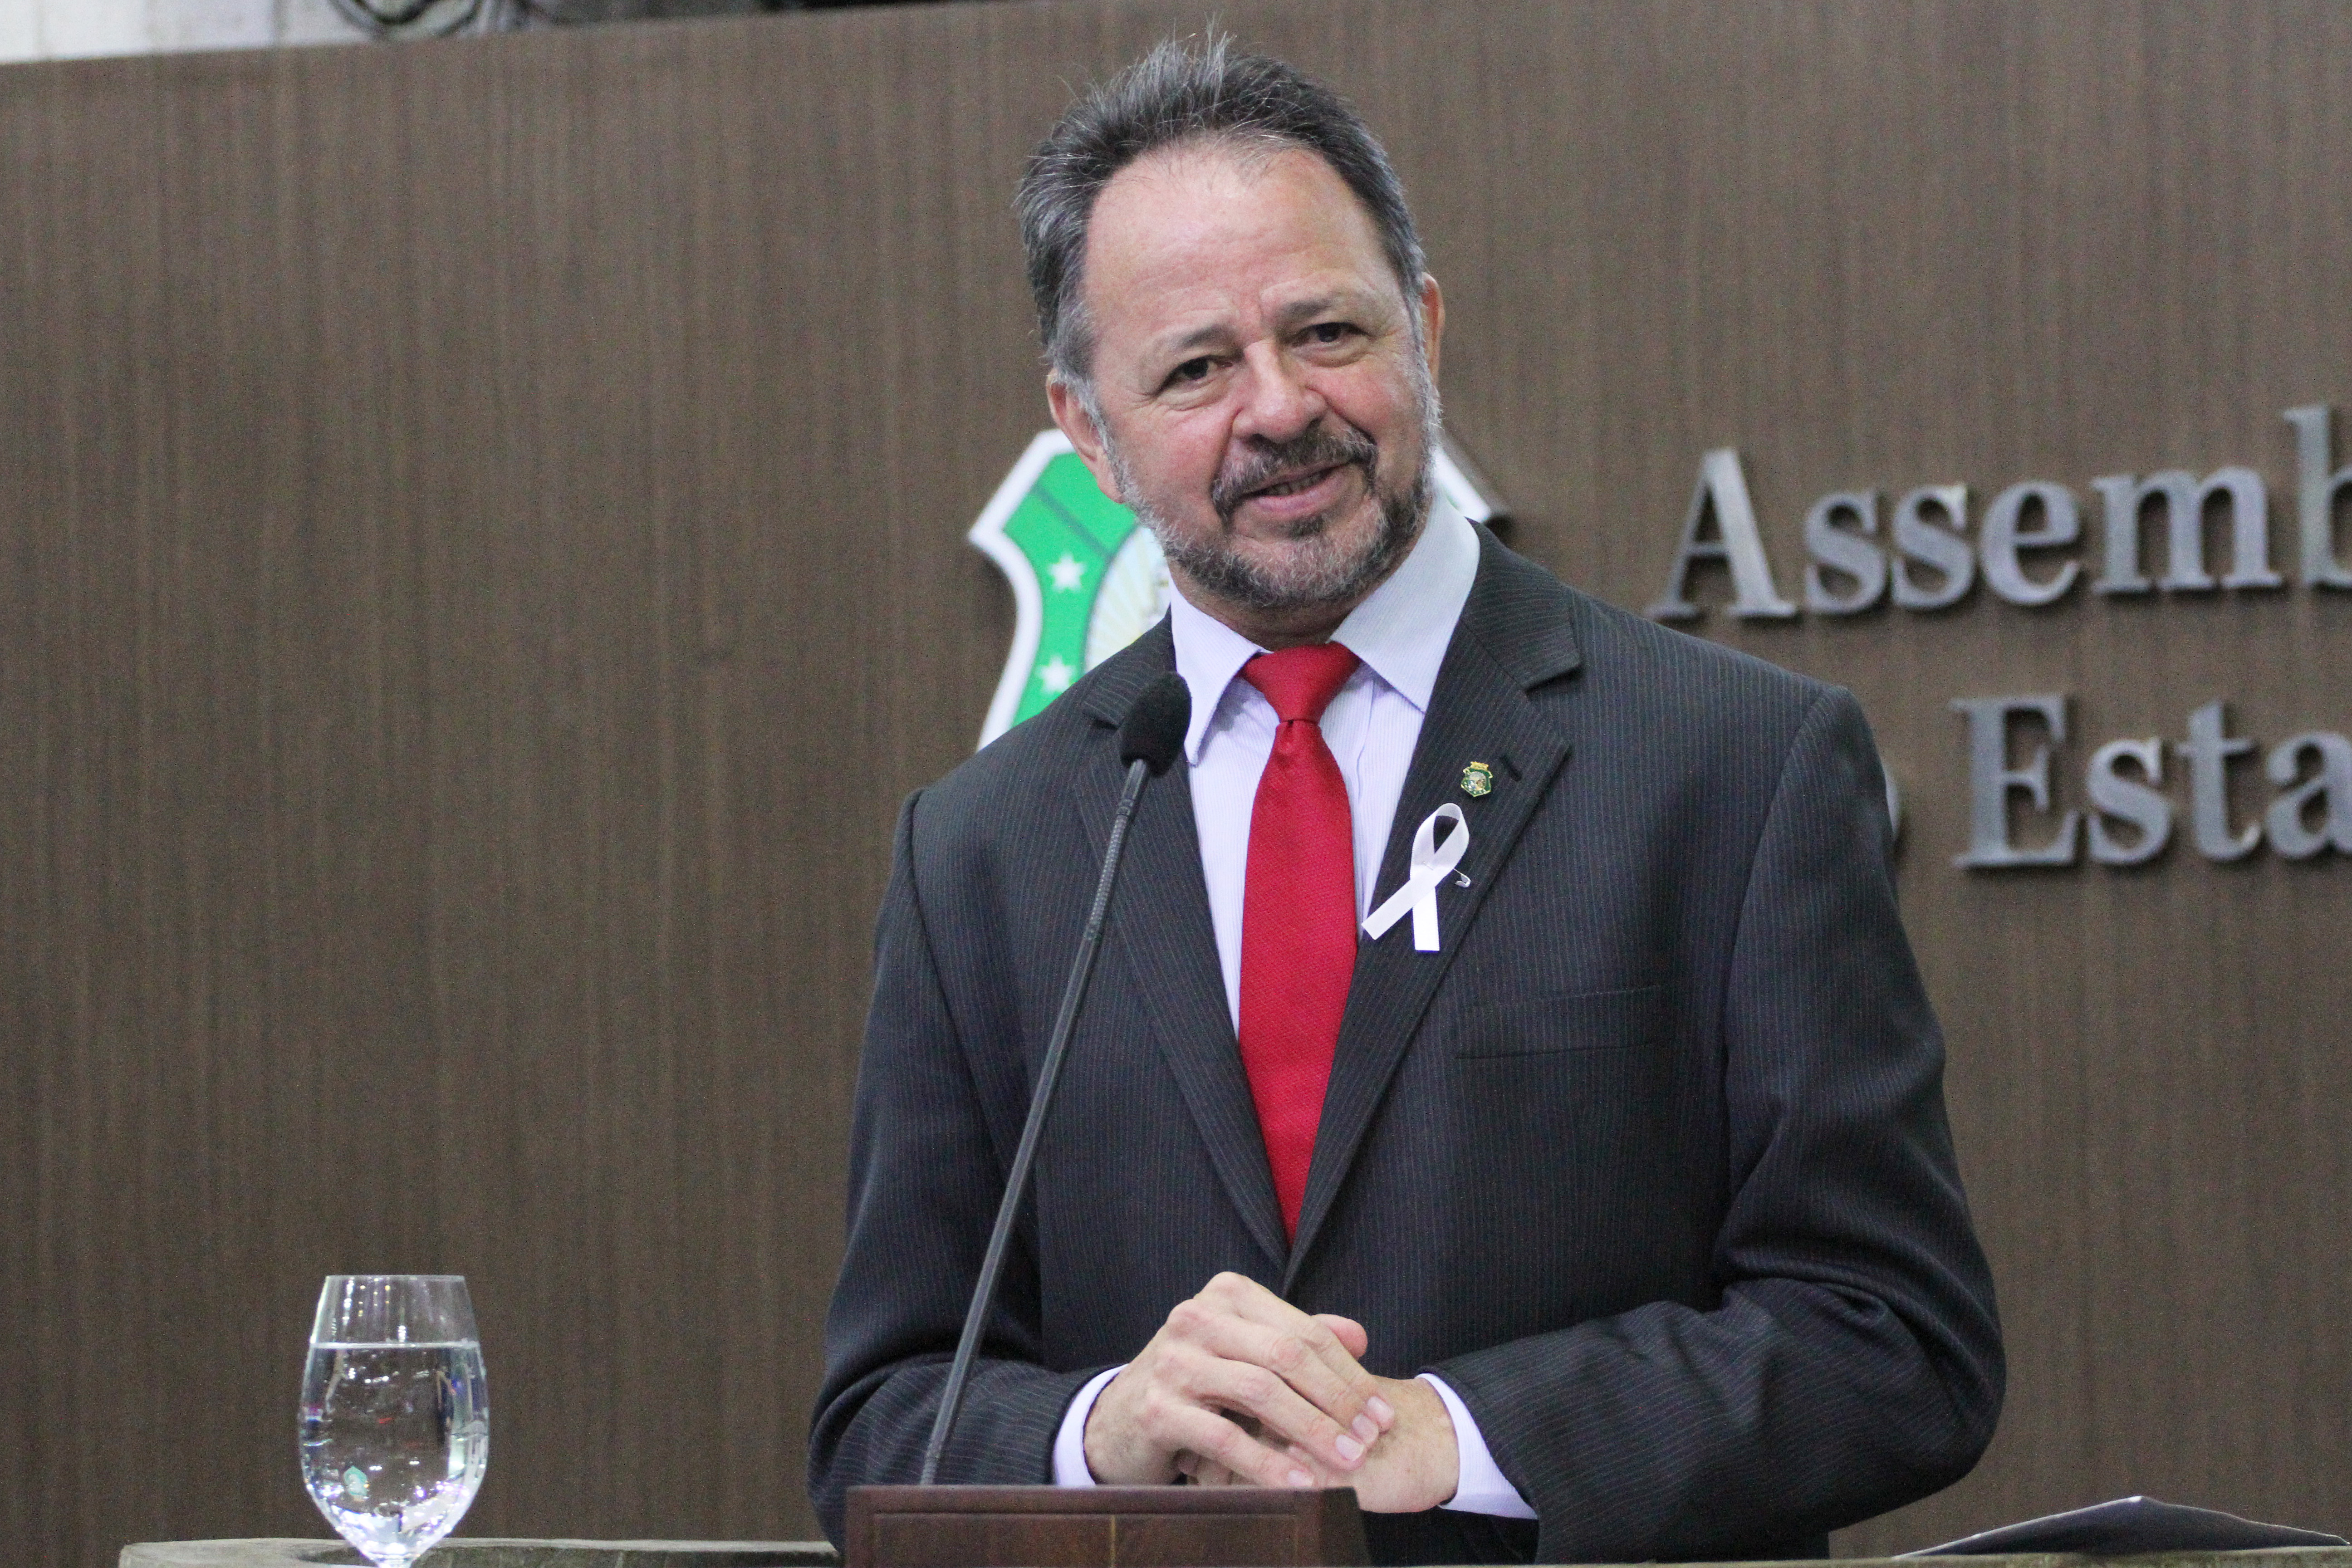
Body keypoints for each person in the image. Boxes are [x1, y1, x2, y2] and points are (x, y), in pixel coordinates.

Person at [809, 37, 2002, 1566]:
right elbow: (882, 1425)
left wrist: (1461, 1436)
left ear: (1424, 329)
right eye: (1194, 369)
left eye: (1326, 331)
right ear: (1088, 430)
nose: (1279, 407)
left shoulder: (1736, 765)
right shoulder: (981, 849)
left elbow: (1893, 1341)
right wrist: (1100, 1431)